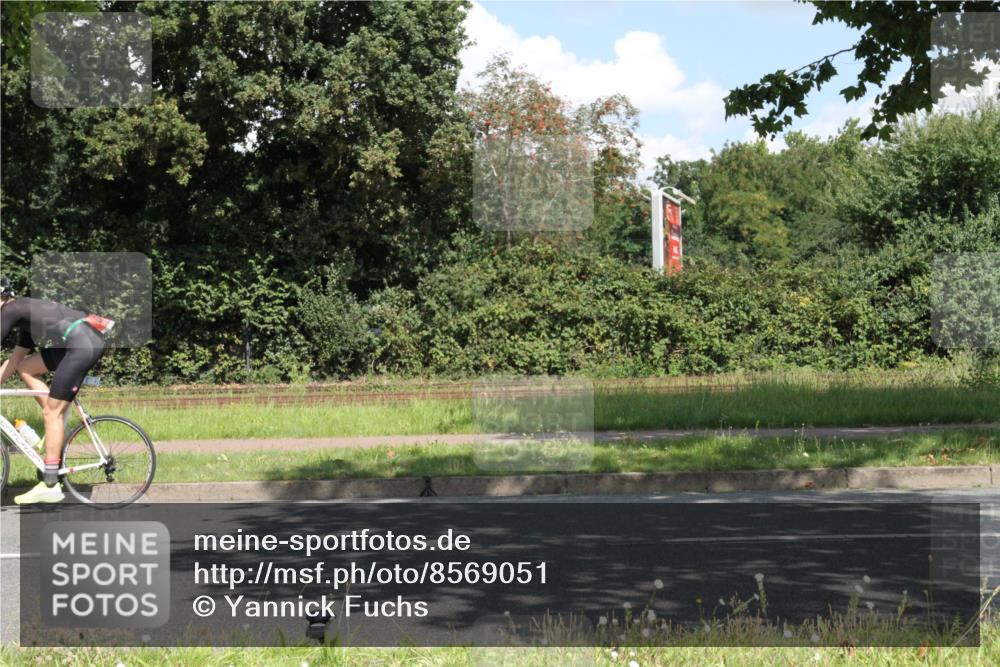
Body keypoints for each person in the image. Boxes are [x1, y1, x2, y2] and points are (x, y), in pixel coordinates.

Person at [0, 276, 109, 504]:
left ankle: (50, 484)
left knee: (51, 413)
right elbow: (14, 362)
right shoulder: (24, 314)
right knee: (26, 368)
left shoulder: (11, 310)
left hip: (82, 345)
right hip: (80, 341)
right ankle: (51, 435)